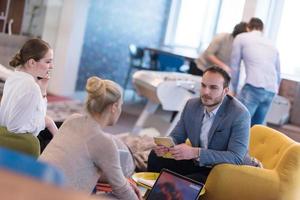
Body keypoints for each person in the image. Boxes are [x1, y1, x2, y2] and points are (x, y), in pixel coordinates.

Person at [39, 76, 142, 200]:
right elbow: (122, 190)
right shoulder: (104, 142)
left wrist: (124, 183)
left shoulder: (72, 119)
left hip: (28, 187)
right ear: (114, 107)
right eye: (121, 105)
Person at [148, 66, 251, 183]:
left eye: (213, 88)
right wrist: (166, 145)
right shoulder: (192, 105)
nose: (206, 92)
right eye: (203, 85)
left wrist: (195, 152)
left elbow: (236, 157)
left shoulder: (239, 114)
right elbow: (177, 136)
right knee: (155, 157)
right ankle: (152, 194)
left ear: (225, 91)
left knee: (185, 183)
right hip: (196, 162)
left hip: (221, 170)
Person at [0, 38, 58, 157]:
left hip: (5, 135)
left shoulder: (14, 77)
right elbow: (15, 127)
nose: (52, 66)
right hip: (18, 145)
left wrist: (43, 89)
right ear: (32, 63)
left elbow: (37, 112)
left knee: (59, 125)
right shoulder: (31, 87)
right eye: (48, 62)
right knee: (60, 133)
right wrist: (46, 123)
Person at [230, 17, 281, 126]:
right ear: (262, 29)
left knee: (238, 124)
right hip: (271, 90)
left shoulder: (241, 37)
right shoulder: (271, 43)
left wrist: (233, 88)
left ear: (248, 27)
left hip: (254, 86)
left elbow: (235, 66)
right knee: (256, 129)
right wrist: (275, 89)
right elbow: (278, 72)